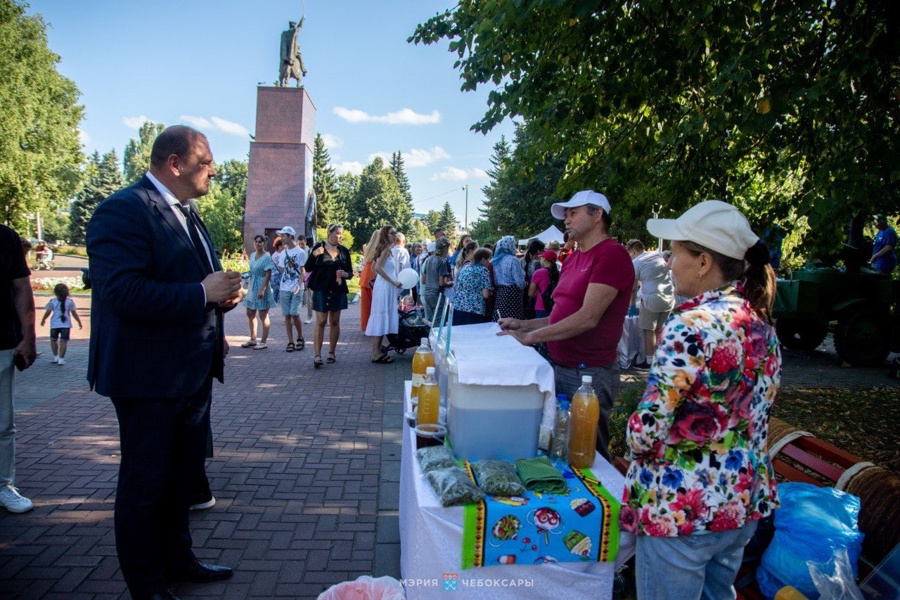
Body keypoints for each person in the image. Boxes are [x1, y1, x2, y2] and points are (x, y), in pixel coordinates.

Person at [85, 125, 240, 598]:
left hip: (190, 372)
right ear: (175, 163)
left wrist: (217, 302)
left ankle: (178, 557)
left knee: (181, 477)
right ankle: (147, 584)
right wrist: (200, 293)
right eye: (206, 161)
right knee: (146, 483)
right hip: (147, 376)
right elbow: (122, 293)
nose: (215, 170)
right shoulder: (124, 211)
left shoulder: (189, 214)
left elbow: (191, 285)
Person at [620, 200, 781, 599]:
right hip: (739, 501)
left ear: (704, 261)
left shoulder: (690, 324)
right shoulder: (761, 323)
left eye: (675, 253)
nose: (670, 264)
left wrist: (632, 433)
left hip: (684, 508)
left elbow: (646, 430)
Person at [499, 191, 634, 461]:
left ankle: (600, 504)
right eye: (566, 215)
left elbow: (588, 317)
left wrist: (530, 338)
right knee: (559, 446)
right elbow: (562, 314)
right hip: (559, 365)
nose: (567, 221)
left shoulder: (611, 255)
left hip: (589, 374)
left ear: (597, 216)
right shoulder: (573, 257)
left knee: (586, 453)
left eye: (573, 213)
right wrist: (524, 324)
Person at [0, 224, 36, 514]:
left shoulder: (5, 237)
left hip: (1, 342)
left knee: (2, 422)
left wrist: (28, 337)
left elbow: (21, 287)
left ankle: (2, 485)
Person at [306, 223, 353, 368]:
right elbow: (308, 267)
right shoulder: (319, 248)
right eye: (337, 233)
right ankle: (317, 355)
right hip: (321, 289)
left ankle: (331, 352)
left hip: (337, 290)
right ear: (329, 233)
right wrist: (314, 256)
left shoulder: (344, 251)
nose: (339, 236)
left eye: (341, 234)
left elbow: (350, 272)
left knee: (334, 321)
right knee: (320, 321)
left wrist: (346, 274)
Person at [626, 239, 675, 369]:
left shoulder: (636, 262)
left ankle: (648, 361)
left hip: (651, 299)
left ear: (634, 251)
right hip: (669, 297)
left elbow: (633, 288)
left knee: (649, 331)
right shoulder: (657, 255)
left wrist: (631, 306)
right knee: (659, 329)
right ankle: (659, 358)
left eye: (630, 253)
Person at [366, 226, 403, 363]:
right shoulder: (386, 249)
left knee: (382, 315)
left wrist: (381, 280)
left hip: (384, 286)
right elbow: (377, 267)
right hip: (385, 287)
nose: (395, 235)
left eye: (395, 233)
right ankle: (375, 353)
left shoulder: (388, 249)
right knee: (380, 316)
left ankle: (377, 351)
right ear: (385, 235)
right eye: (392, 233)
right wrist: (392, 281)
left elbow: (373, 266)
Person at [241, 235, 276, 350]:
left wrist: (263, 289)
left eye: (260, 242)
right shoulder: (252, 255)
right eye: (256, 242)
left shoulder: (267, 257)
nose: (258, 244)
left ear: (264, 243)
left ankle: (263, 341)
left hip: (262, 285)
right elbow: (252, 270)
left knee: (263, 314)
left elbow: (268, 274)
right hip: (252, 284)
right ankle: (253, 339)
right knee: (250, 312)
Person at [275, 226, 306, 352]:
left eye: (283, 236)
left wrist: (299, 284)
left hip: (297, 286)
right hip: (285, 287)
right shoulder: (283, 253)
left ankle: (300, 337)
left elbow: (303, 271)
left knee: (295, 313)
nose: (281, 238)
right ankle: (290, 341)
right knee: (287, 315)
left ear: (290, 236)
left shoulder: (300, 252)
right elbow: (282, 270)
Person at [40, 283, 83, 365]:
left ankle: (55, 356)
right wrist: (79, 322)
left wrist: (43, 320)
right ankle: (61, 359)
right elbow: (74, 313)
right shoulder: (70, 302)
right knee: (63, 342)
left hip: (54, 325)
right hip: (66, 325)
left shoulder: (53, 301)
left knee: (53, 340)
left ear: (55, 292)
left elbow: (48, 312)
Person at [452, 247, 493, 325]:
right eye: (489, 259)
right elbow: (486, 295)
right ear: (483, 259)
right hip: (475, 310)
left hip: (459, 307)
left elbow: (457, 286)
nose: (489, 262)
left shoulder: (465, 268)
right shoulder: (483, 270)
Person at [491, 235, 527, 321]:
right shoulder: (513, 260)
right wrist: (525, 284)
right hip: (513, 295)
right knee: (513, 321)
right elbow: (520, 282)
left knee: (500, 319)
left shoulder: (496, 260)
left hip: (501, 293)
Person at [421, 238, 452, 323]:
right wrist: (451, 283)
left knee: (434, 319)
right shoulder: (442, 262)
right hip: (437, 295)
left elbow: (423, 281)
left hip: (427, 294)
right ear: (445, 248)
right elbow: (441, 283)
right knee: (439, 322)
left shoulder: (428, 260)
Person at [527, 249, 560, 319]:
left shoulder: (539, 272)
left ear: (544, 259)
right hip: (555, 305)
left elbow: (530, 293)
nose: (540, 259)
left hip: (541, 306)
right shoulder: (558, 273)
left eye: (541, 257)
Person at [359, 230, 381, 332]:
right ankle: (375, 326)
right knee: (376, 304)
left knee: (365, 305)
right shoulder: (379, 248)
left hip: (365, 276)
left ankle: (365, 325)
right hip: (373, 276)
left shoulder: (367, 248)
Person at [279, 17, 307, 87]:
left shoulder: (284, 33)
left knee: (283, 63)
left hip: (285, 55)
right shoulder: (294, 32)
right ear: (294, 26)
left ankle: (281, 75)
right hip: (292, 53)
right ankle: (303, 69)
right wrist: (303, 19)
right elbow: (299, 27)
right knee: (300, 57)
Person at [303, 237, 315, 324]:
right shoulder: (306, 251)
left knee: (310, 298)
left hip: (309, 277)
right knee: (310, 298)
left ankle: (309, 316)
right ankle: (309, 316)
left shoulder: (309, 252)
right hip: (311, 277)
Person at [270, 238, 284, 303]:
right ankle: (271, 308)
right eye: (283, 246)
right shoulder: (277, 255)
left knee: (276, 292)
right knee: (275, 293)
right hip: (276, 276)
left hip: (276, 276)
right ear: (280, 246)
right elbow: (281, 266)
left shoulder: (275, 255)